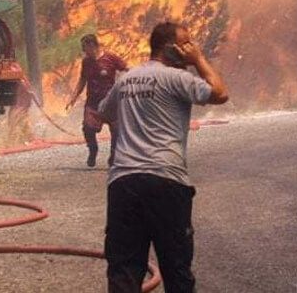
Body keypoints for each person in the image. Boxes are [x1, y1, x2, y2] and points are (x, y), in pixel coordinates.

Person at [97, 21, 228, 293]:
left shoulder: (126, 79)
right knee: (176, 270)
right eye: (185, 45)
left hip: (124, 184)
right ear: (170, 49)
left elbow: (105, 113)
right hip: (167, 182)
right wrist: (199, 60)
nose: (190, 49)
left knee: (123, 273)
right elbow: (219, 93)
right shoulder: (177, 78)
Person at [66, 34, 127, 167]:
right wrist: (73, 97)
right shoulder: (86, 62)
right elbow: (82, 79)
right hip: (93, 102)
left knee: (117, 131)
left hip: (111, 102)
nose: (83, 51)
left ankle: (113, 157)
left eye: (84, 47)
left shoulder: (110, 58)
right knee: (87, 128)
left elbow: (126, 69)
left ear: (92, 45)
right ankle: (93, 150)